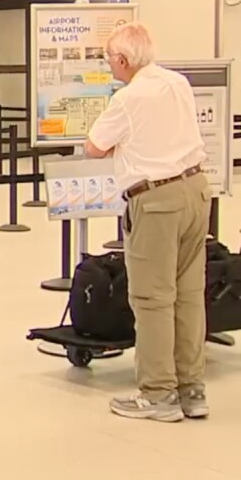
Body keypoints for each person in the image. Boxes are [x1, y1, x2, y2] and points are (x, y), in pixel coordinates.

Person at [86, 22, 211, 423]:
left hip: (155, 200)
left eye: (109, 61)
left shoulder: (128, 98)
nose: (109, 68)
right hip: (196, 191)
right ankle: (192, 389)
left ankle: (158, 393)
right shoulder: (178, 83)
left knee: (153, 298)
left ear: (122, 60)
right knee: (189, 294)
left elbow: (94, 147)